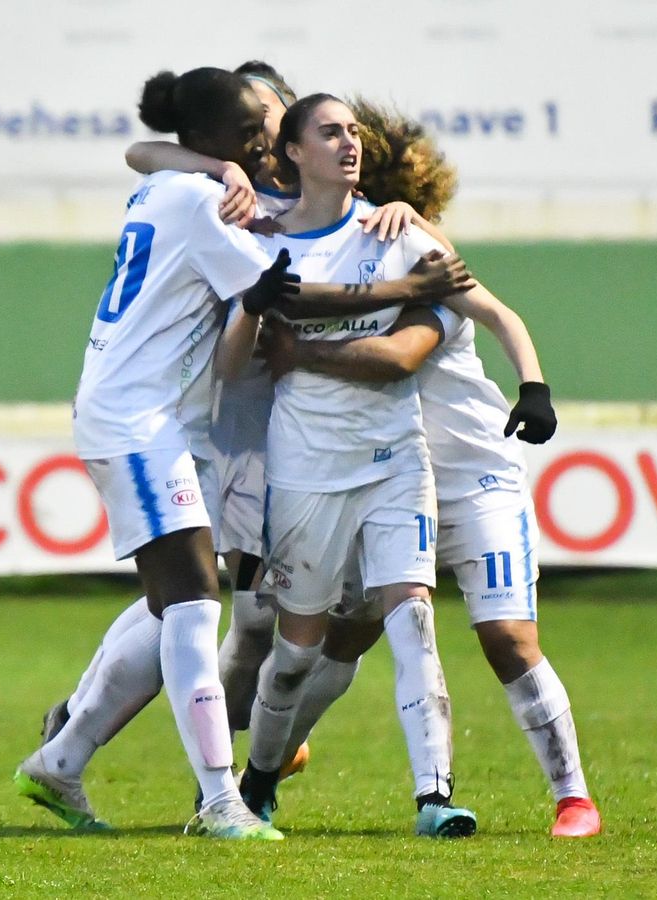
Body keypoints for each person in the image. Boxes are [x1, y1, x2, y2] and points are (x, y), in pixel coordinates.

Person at [13, 67, 469, 841]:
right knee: (204, 607)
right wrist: (397, 291)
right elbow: (280, 289)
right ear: (233, 138)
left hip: (189, 423)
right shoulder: (211, 200)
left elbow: (152, 159)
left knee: (186, 606)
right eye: (254, 131)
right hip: (174, 425)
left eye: (270, 128)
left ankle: (71, 750)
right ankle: (220, 794)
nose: (263, 144)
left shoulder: (203, 192)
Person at [255, 242, 602, 839]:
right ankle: (282, 753)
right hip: (394, 480)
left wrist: (298, 352)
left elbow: (399, 356)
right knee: (348, 633)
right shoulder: (363, 280)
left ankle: (573, 799)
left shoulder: (428, 285)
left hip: (475, 482)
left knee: (508, 637)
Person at [215, 92, 483, 838]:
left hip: (396, 458)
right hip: (306, 470)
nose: (348, 142)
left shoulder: (394, 232)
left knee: (415, 619)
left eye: (353, 132)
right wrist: (255, 313)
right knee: (295, 655)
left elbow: (457, 296)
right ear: (293, 152)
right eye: (329, 132)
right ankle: (259, 781)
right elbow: (235, 364)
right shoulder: (263, 245)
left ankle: (435, 797)